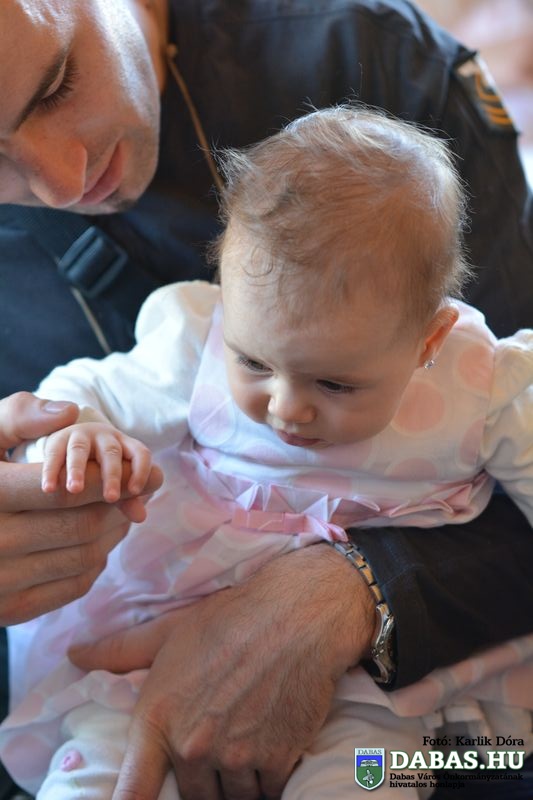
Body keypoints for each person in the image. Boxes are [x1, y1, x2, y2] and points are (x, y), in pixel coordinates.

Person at [0, 1, 532, 799]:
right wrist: (62, 451)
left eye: (56, 84)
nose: (61, 178)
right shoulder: (188, 336)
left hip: (406, 704)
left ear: (430, 340)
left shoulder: (376, 58)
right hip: (123, 661)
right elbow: (88, 399)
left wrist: (361, 592)